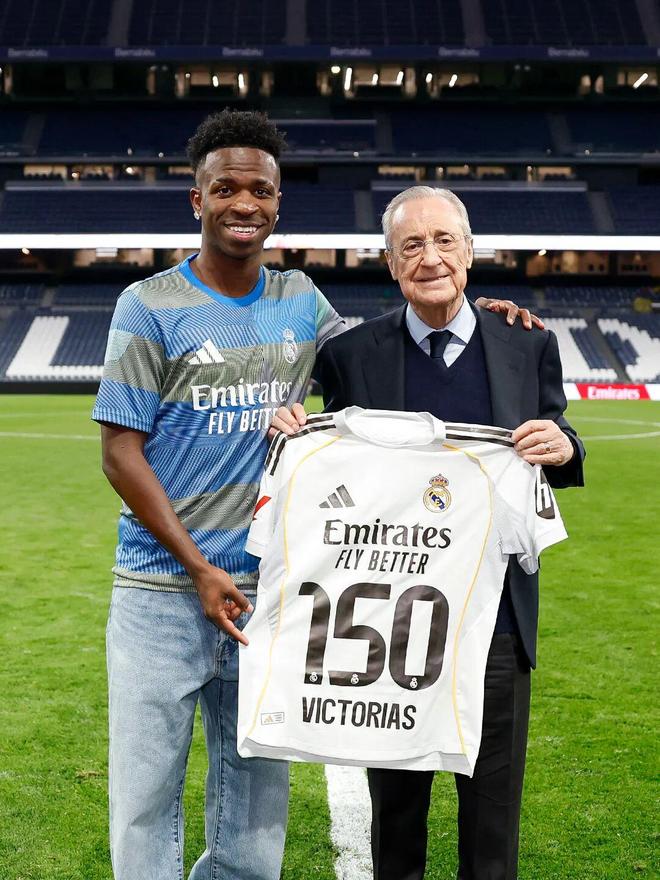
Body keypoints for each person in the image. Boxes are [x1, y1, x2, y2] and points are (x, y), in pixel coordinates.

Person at [94, 105, 541, 880]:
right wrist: (197, 567)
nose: (244, 203)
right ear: (197, 200)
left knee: (253, 803)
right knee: (145, 798)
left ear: (277, 204)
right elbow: (118, 452)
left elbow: (385, 352)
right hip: (161, 591)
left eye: (260, 191)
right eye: (225, 188)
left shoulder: (301, 301)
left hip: (268, 594)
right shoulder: (146, 304)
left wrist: (480, 315)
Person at [272, 185, 585, 880]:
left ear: (469, 252)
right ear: (390, 262)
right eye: (411, 245)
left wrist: (564, 447)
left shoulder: (528, 344)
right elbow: (332, 465)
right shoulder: (350, 356)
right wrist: (294, 433)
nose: (430, 257)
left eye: (444, 240)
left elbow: (558, 437)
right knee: (397, 823)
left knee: (492, 828)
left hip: (497, 624)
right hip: (392, 628)